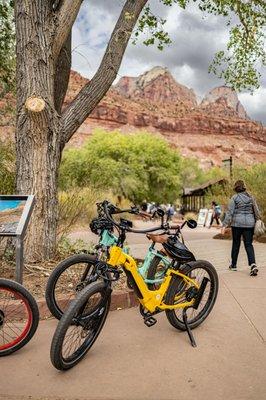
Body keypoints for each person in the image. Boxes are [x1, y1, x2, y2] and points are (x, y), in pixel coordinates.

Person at [221, 180, 260, 276]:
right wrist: (257, 220)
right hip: (249, 224)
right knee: (248, 244)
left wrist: (224, 225)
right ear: (244, 187)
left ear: (236, 188)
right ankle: (253, 265)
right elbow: (257, 211)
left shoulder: (234, 198)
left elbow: (230, 212)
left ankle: (233, 265)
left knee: (236, 244)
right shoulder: (251, 197)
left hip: (237, 224)